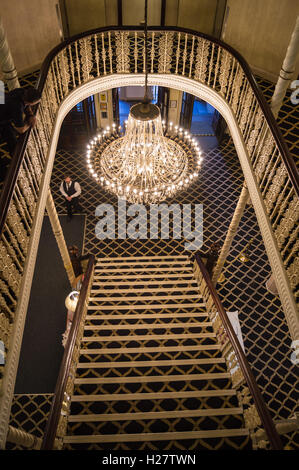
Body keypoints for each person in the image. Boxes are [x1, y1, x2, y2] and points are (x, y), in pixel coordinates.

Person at [0, 86, 41, 155]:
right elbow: (21, 130)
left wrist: (30, 115)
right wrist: (30, 123)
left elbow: (27, 106)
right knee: (12, 140)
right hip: (2, 120)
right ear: (32, 103)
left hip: (3, 107)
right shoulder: (17, 108)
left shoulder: (21, 91)